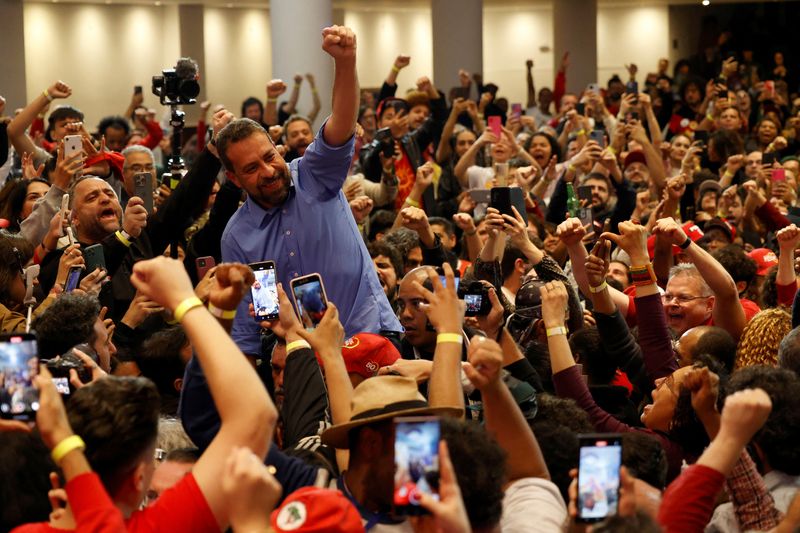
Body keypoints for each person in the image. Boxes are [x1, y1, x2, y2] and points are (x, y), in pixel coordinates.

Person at [217, 25, 401, 356]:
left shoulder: (314, 174)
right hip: (302, 360)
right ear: (233, 179)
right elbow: (257, 321)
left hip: (371, 337)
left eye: (269, 157)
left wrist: (346, 62)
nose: (268, 170)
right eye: (251, 169)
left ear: (277, 148)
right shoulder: (237, 237)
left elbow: (342, 124)